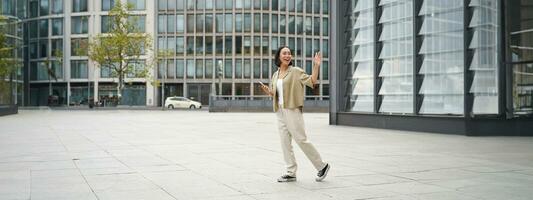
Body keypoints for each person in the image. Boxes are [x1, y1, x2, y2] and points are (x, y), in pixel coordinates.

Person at [259, 46, 330, 182]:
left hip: (292, 109)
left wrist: (316, 66)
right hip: (279, 110)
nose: (287, 56)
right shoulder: (276, 74)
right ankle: (290, 172)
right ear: (278, 57)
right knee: (285, 142)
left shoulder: (296, 71)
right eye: (284, 53)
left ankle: (322, 166)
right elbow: (276, 93)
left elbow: (312, 81)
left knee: (301, 139)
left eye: (289, 54)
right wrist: (269, 91)